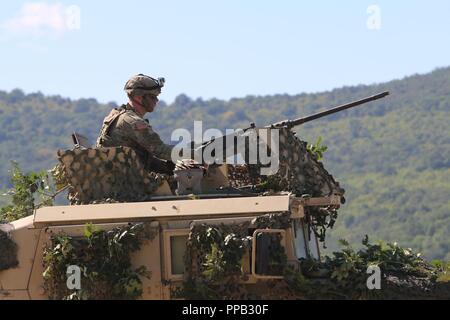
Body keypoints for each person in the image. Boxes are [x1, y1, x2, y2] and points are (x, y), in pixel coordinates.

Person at [96, 74, 175, 174]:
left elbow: (145, 157)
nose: (156, 100)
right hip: (125, 182)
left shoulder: (119, 115)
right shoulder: (132, 121)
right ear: (138, 97)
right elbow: (160, 150)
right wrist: (195, 153)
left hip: (120, 176)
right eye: (152, 97)